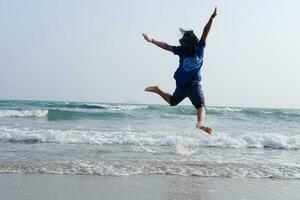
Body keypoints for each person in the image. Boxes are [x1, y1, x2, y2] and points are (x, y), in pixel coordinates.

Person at [142, 7, 218, 135]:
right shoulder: (187, 50)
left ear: (187, 43)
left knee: (173, 102)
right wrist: (152, 41)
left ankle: (157, 90)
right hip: (191, 84)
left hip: (182, 83)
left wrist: (211, 18)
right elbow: (166, 46)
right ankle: (200, 123)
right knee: (201, 106)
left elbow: (205, 31)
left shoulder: (198, 47)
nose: (182, 43)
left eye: (183, 41)